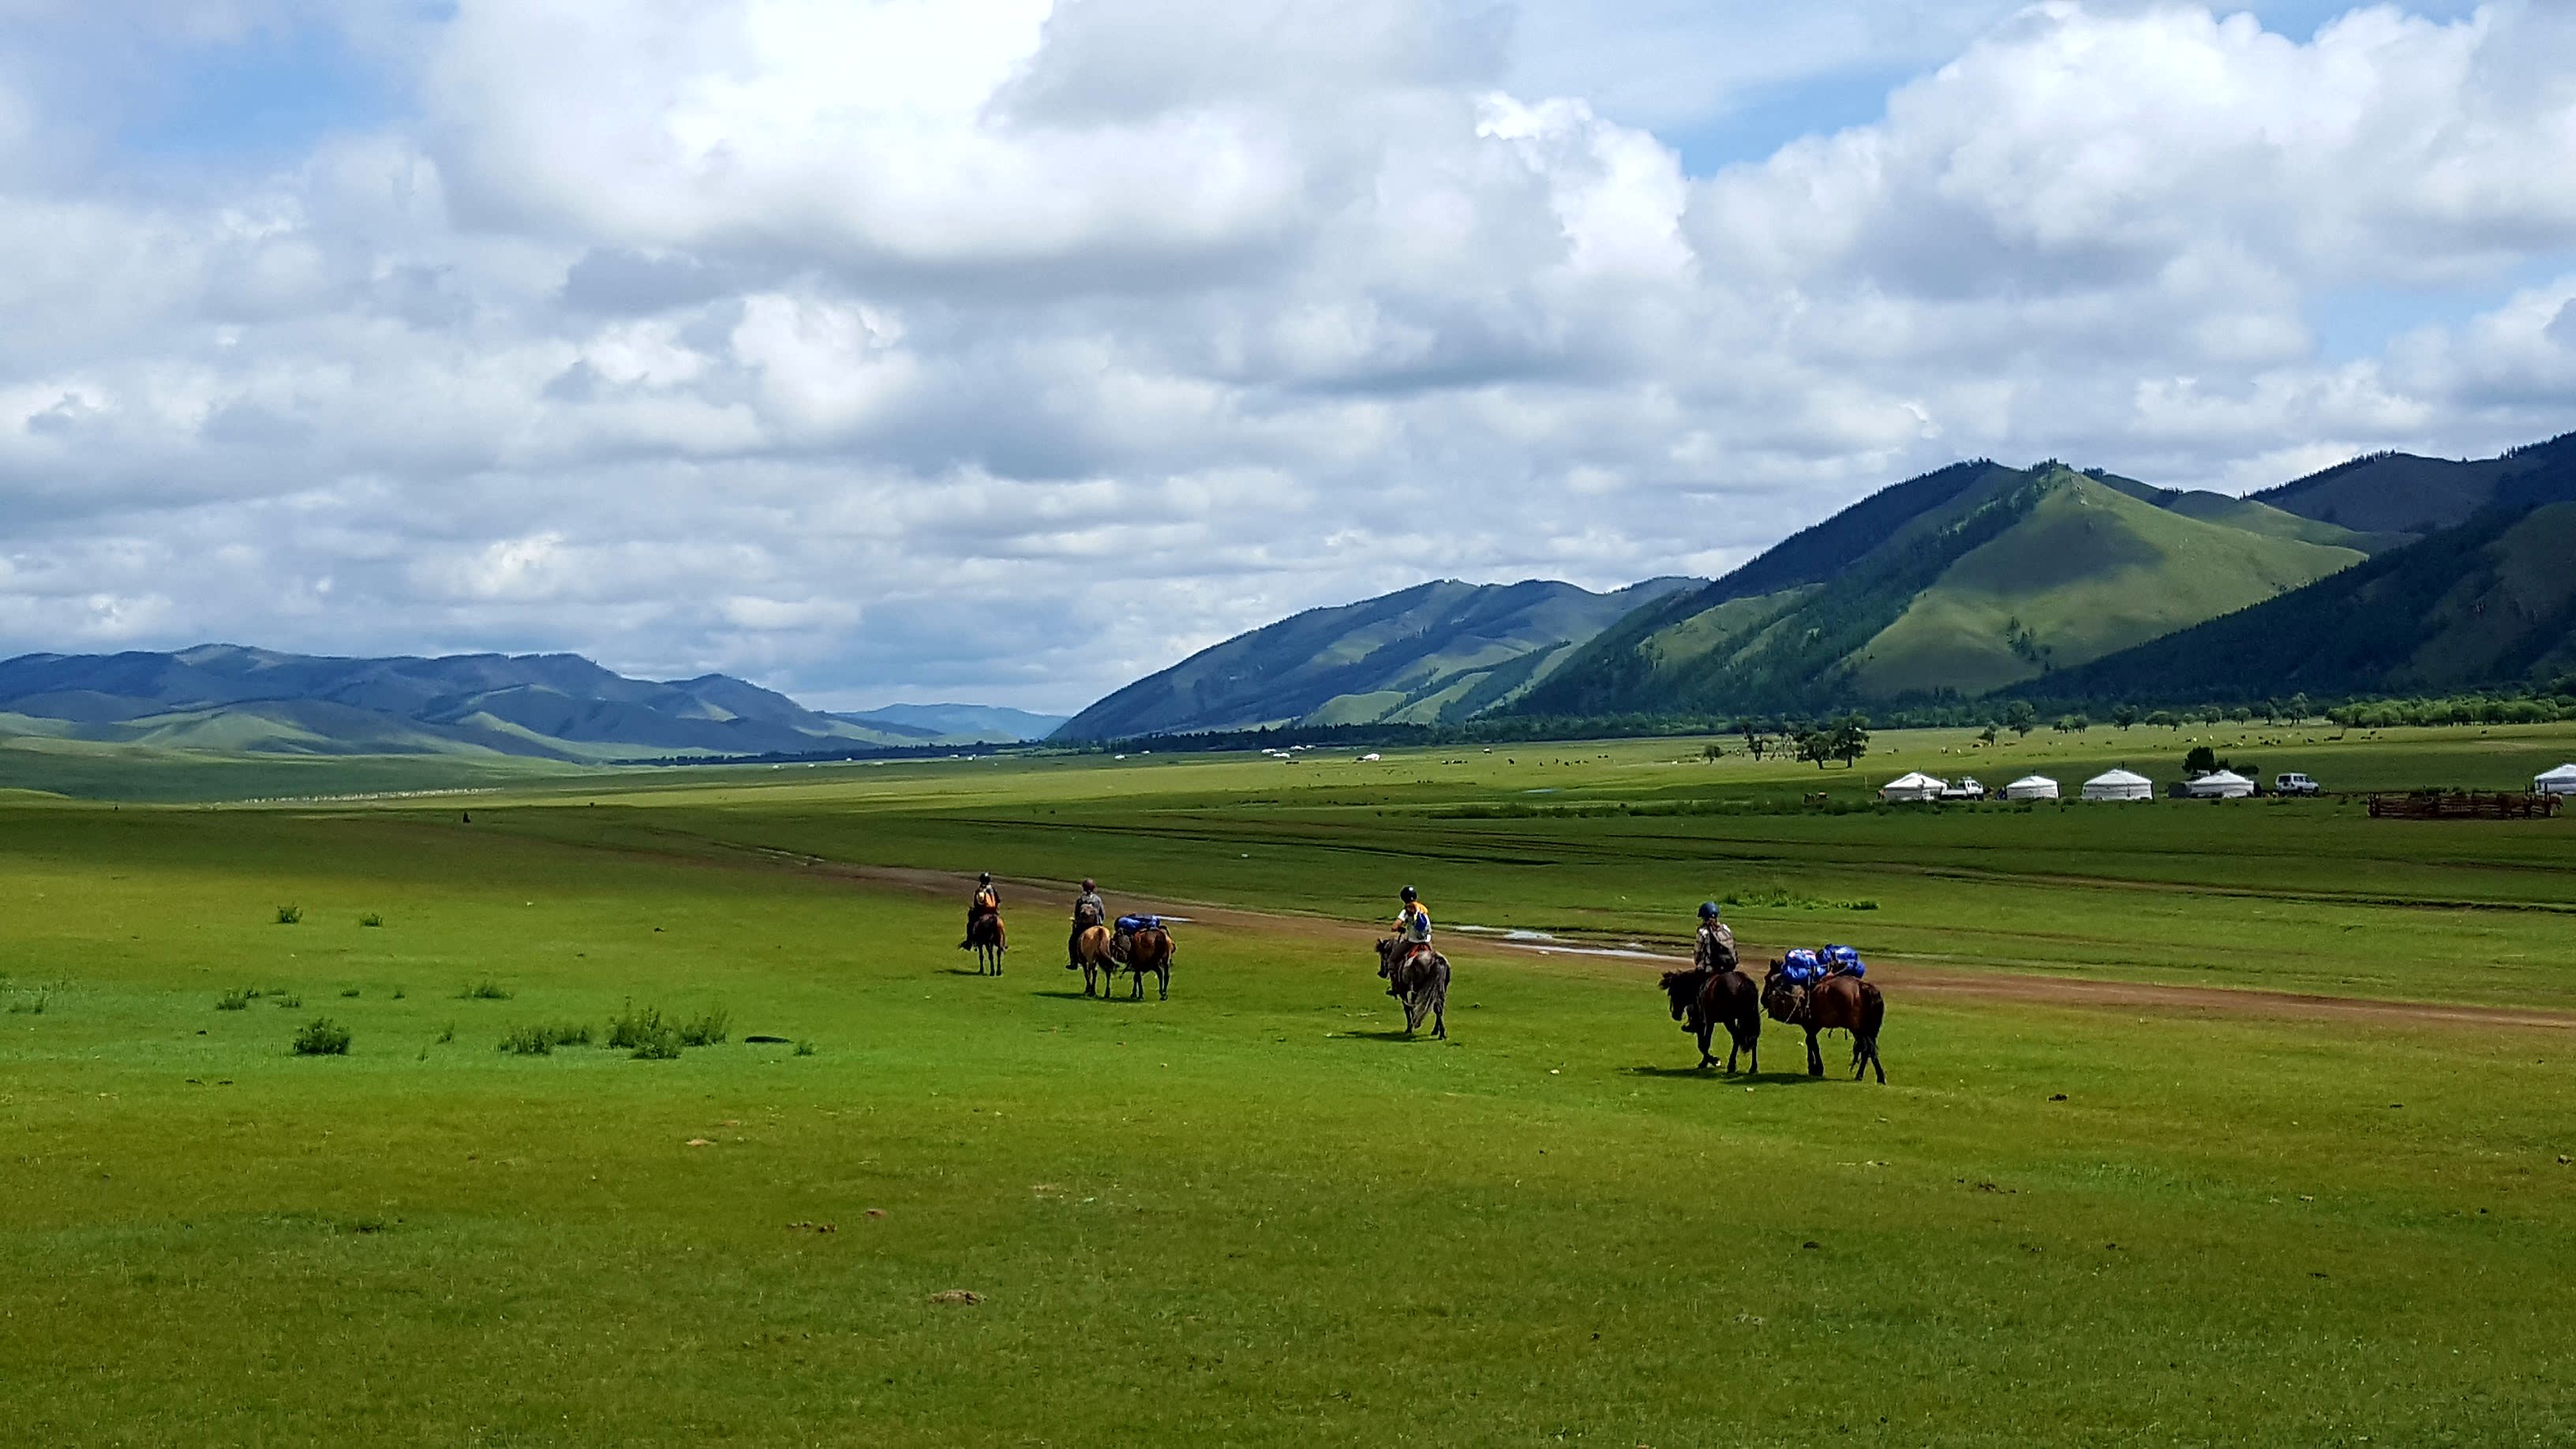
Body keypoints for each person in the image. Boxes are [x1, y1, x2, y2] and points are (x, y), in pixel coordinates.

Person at [1388, 886, 1432, 997]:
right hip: (1426, 942)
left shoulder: (1406, 910)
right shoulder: (1422, 909)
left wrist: (1399, 928)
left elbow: (1394, 927)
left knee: (1392, 960)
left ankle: (1395, 987)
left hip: (1412, 942)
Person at [1068, 878, 1106, 970]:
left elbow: (1077, 914)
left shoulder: (1081, 899)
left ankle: (1074, 963)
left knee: (1072, 942)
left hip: (1083, 926)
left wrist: (1076, 922)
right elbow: (1102, 914)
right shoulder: (1097, 899)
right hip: (1095, 925)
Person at [960, 871, 1002, 948]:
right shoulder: (993, 889)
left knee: (970, 924)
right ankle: (1003, 944)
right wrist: (996, 910)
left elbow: (977, 903)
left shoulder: (979, 891)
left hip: (982, 912)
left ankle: (969, 942)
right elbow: (998, 901)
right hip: (993, 912)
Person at [1694, 901, 1738, 972]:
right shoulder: (1725, 929)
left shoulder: (1703, 932)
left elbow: (1697, 953)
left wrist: (1698, 964)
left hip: (1710, 969)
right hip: (1729, 966)